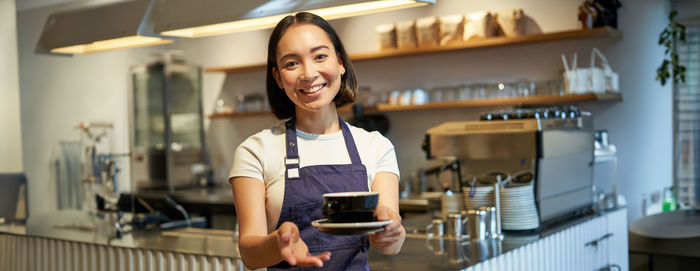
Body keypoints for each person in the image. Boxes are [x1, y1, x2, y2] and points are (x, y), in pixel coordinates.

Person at [229, 12, 405, 270]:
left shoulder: (376, 146)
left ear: (341, 62)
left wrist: (392, 234)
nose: (309, 73)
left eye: (320, 56)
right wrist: (278, 244)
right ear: (278, 77)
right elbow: (250, 255)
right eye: (291, 63)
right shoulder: (255, 151)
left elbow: (390, 241)